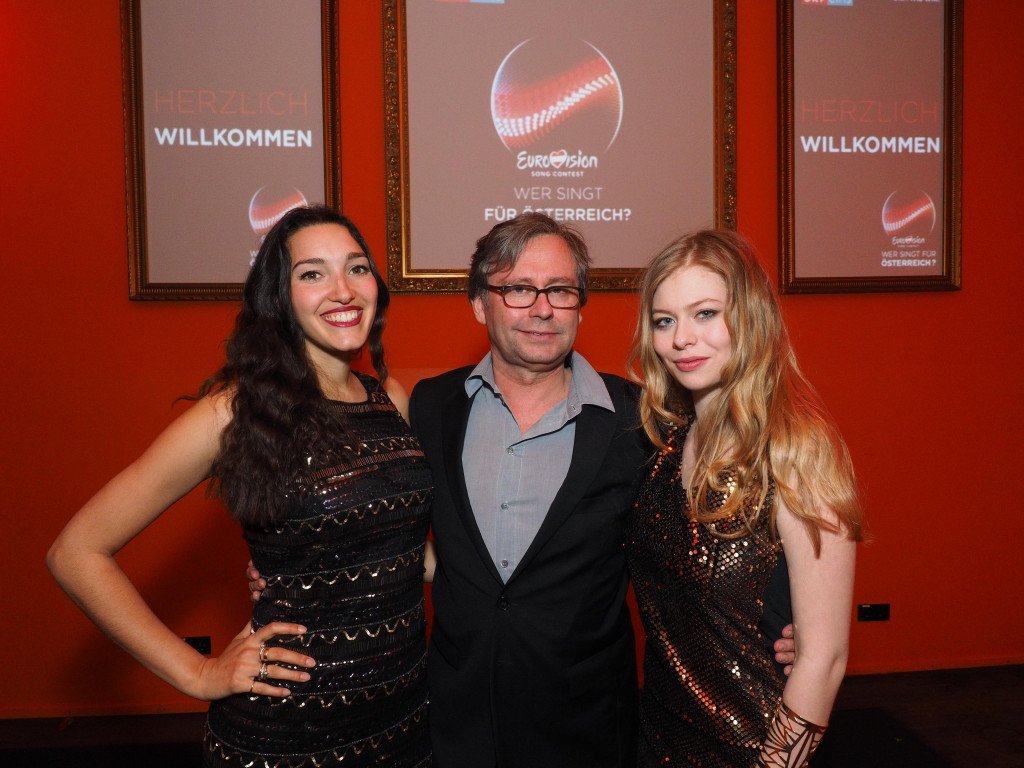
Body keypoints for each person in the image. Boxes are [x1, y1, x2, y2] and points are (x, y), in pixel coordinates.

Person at [247, 213, 797, 767]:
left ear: (580, 305)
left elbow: (700, 545)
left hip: (587, 732)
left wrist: (791, 625)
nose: (542, 308)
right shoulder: (429, 408)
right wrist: (308, 563)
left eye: (560, 290)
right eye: (517, 289)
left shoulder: (643, 421)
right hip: (453, 725)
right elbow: (386, 518)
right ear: (479, 304)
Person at [47, 206, 433, 768]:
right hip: (287, 735)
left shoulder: (390, 399)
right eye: (313, 273)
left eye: (357, 267)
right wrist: (198, 672)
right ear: (280, 297)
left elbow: (410, 555)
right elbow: (76, 552)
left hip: (403, 723)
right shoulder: (235, 412)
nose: (343, 290)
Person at [626, 230, 861, 767]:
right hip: (659, 739)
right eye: (664, 321)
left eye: (705, 313)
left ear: (750, 317)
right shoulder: (663, 450)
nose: (682, 338)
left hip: (755, 750)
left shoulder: (794, 452)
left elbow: (823, 659)